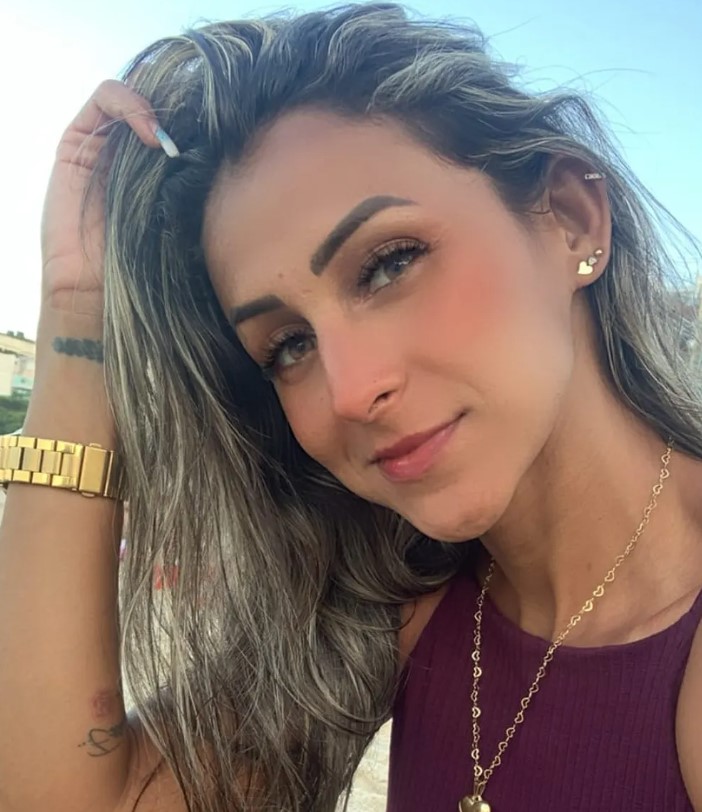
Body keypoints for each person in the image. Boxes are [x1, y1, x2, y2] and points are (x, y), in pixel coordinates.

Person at [0, 4, 700, 811]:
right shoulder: (411, 605)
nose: (350, 390)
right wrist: (80, 311)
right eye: (288, 346)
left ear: (571, 218)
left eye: (389, 264)